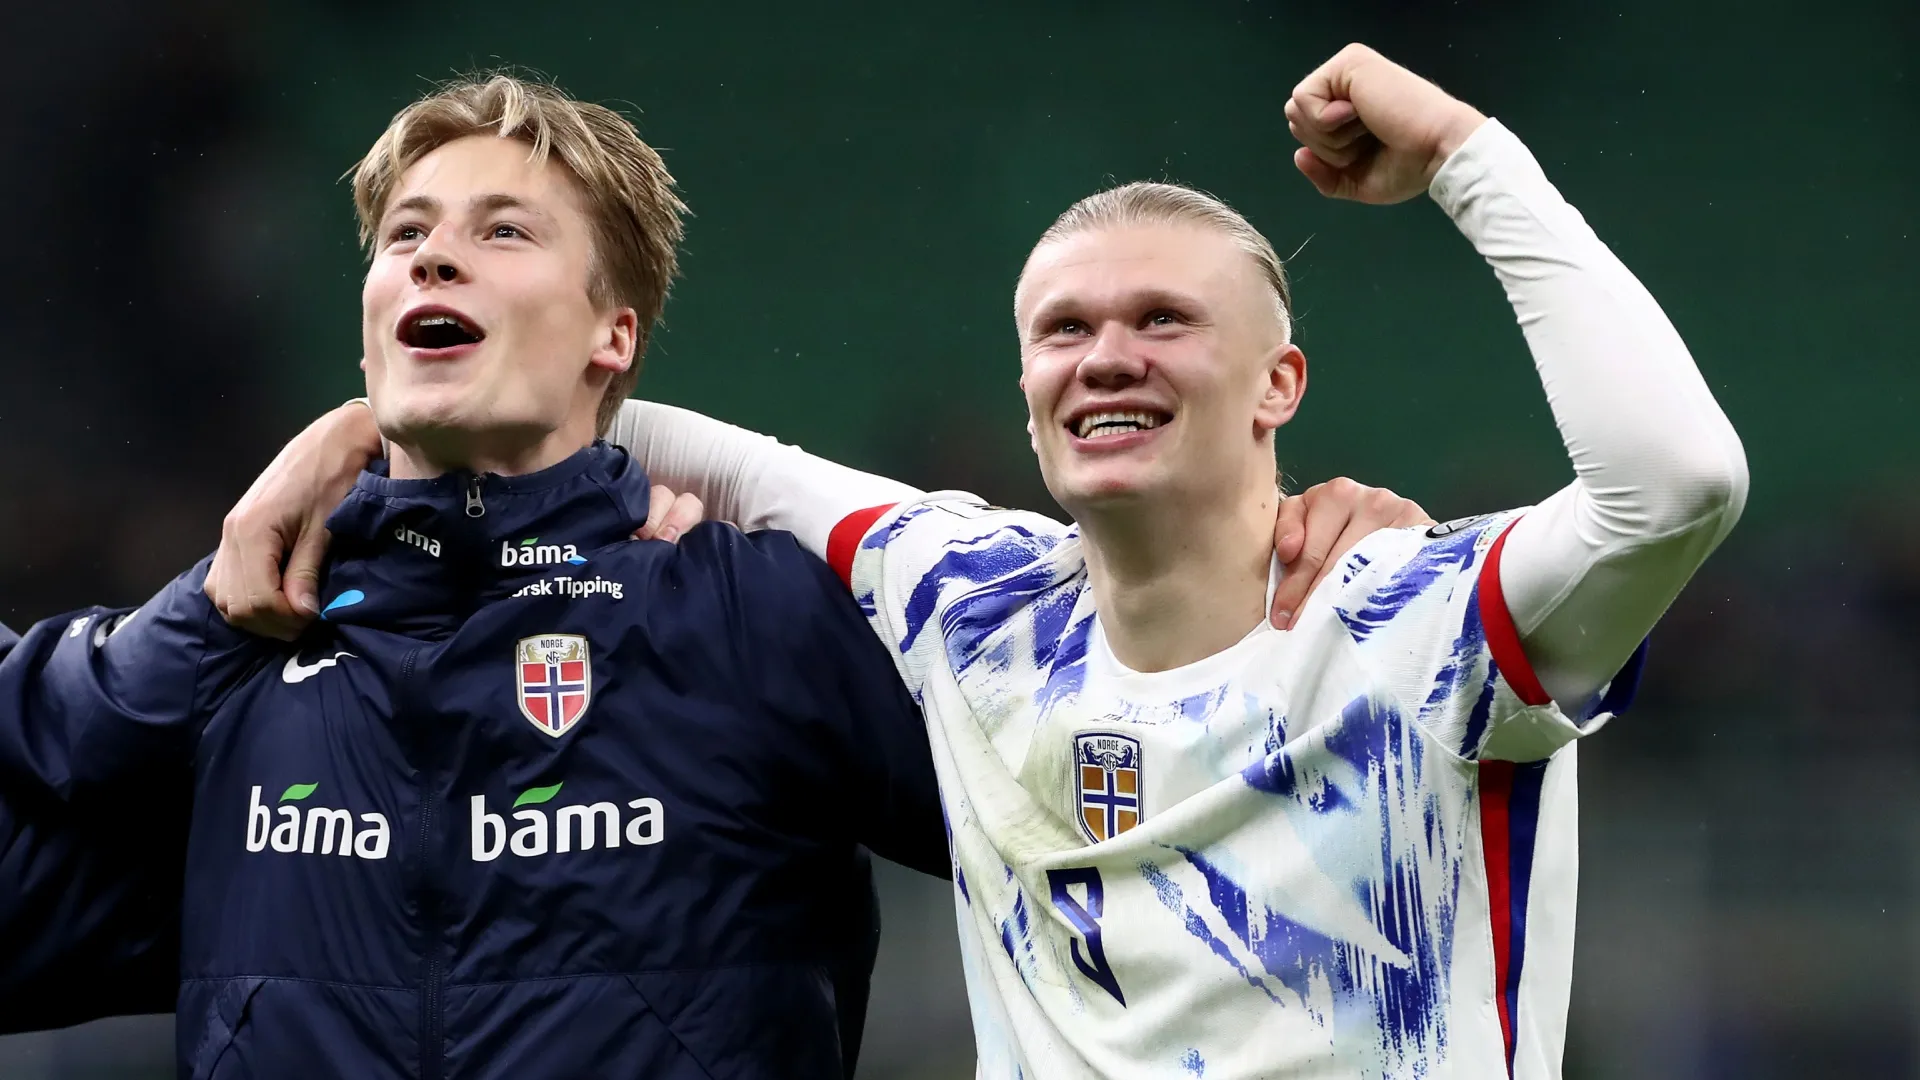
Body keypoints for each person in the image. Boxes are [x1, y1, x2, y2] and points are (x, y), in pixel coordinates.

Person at [219, 43, 1749, 1079]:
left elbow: (1678, 481)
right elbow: (663, 438)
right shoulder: (972, 599)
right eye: (1064, 331)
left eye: (1164, 321)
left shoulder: (1418, 619)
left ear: (1279, 385)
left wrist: (1475, 160)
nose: (1106, 359)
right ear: (1026, 395)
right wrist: (351, 437)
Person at [0, 73, 957, 1079]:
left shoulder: (742, 616)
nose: (434, 256)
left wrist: (735, 468)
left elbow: (1066, 768)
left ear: (613, 334)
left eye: (504, 232)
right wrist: (197, 619)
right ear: (369, 340)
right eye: (405, 235)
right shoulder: (245, 640)